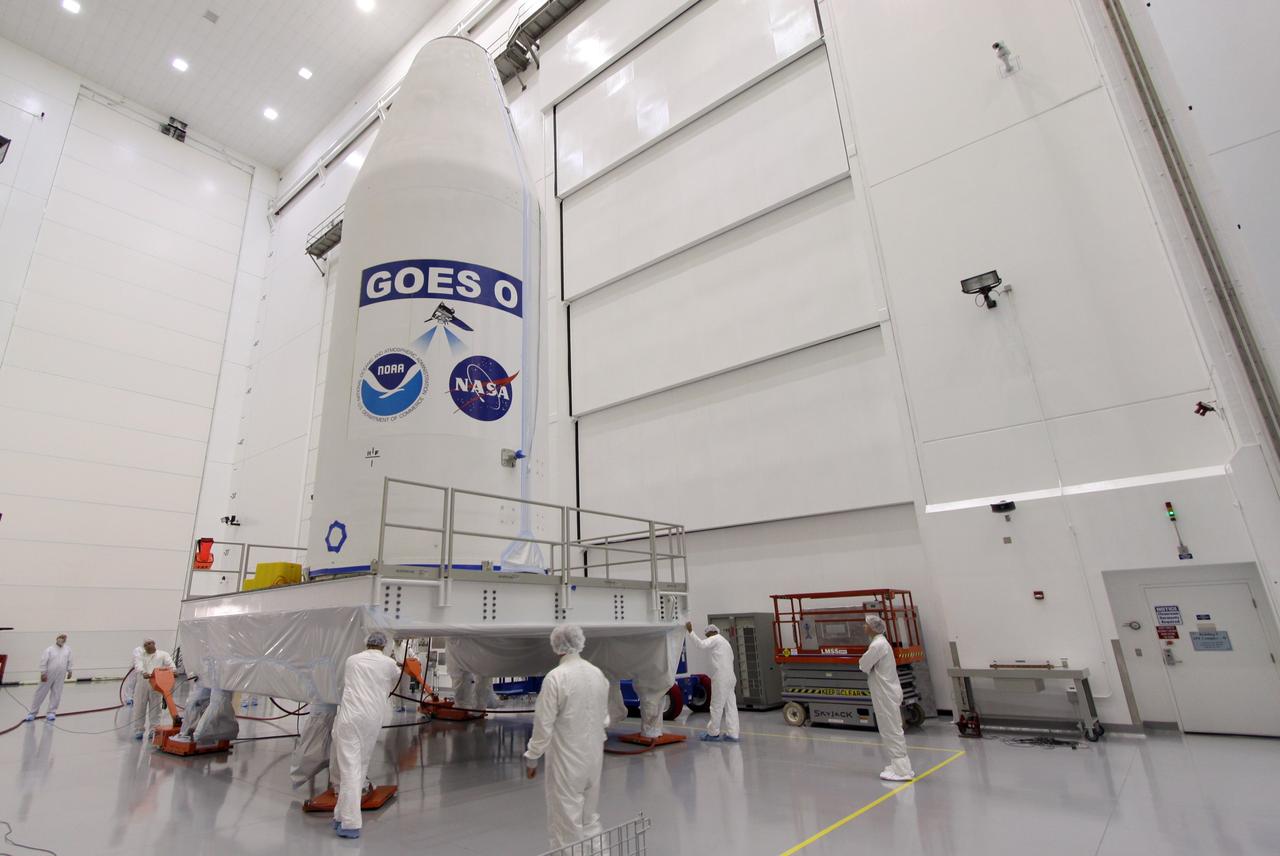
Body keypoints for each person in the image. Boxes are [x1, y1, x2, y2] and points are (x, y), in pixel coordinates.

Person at [524, 624, 611, 850]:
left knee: (565, 826)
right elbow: (605, 719)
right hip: (594, 761)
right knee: (589, 820)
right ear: (579, 642)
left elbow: (543, 725)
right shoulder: (597, 674)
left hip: (566, 764)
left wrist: (532, 758)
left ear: (556, 646)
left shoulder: (556, 678)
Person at [331, 630, 401, 839]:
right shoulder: (389, 664)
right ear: (384, 645)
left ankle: (349, 822)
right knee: (358, 766)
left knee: (349, 768)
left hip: (350, 719)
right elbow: (396, 675)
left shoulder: (352, 660)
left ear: (366, 643)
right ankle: (342, 817)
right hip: (371, 720)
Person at [858, 614, 914, 782]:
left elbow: (863, 664)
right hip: (888, 691)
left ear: (873, 627)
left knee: (891, 730)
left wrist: (863, 662)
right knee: (891, 729)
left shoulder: (877, 645)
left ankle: (902, 771)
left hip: (885, 694)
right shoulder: (881, 643)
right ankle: (898, 765)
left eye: (866, 624)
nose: (864, 627)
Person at [685, 621, 739, 742]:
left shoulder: (715, 638)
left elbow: (700, 645)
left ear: (711, 632)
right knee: (731, 706)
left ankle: (713, 733)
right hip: (731, 677)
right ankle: (733, 734)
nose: (707, 637)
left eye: (707, 635)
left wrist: (690, 632)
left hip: (721, 678)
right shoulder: (725, 643)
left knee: (716, 706)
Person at [133, 639, 175, 740]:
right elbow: (138, 665)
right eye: (145, 645)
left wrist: (174, 671)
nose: (148, 646)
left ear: (154, 643)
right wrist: (143, 672)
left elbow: (171, 664)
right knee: (139, 707)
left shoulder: (163, 654)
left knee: (156, 708)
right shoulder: (141, 655)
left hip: (157, 684)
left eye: (149, 643)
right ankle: (139, 729)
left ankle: (154, 729)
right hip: (142, 684)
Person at [25, 634, 72, 722]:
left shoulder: (68, 650)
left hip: (61, 675)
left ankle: (51, 712)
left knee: (57, 693)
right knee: (41, 693)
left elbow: (70, 660)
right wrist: (43, 673)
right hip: (48, 674)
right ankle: (32, 713)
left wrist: (69, 670)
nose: (62, 640)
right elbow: (43, 661)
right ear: (57, 639)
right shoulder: (49, 650)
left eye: (64, 638)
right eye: (61, 638)